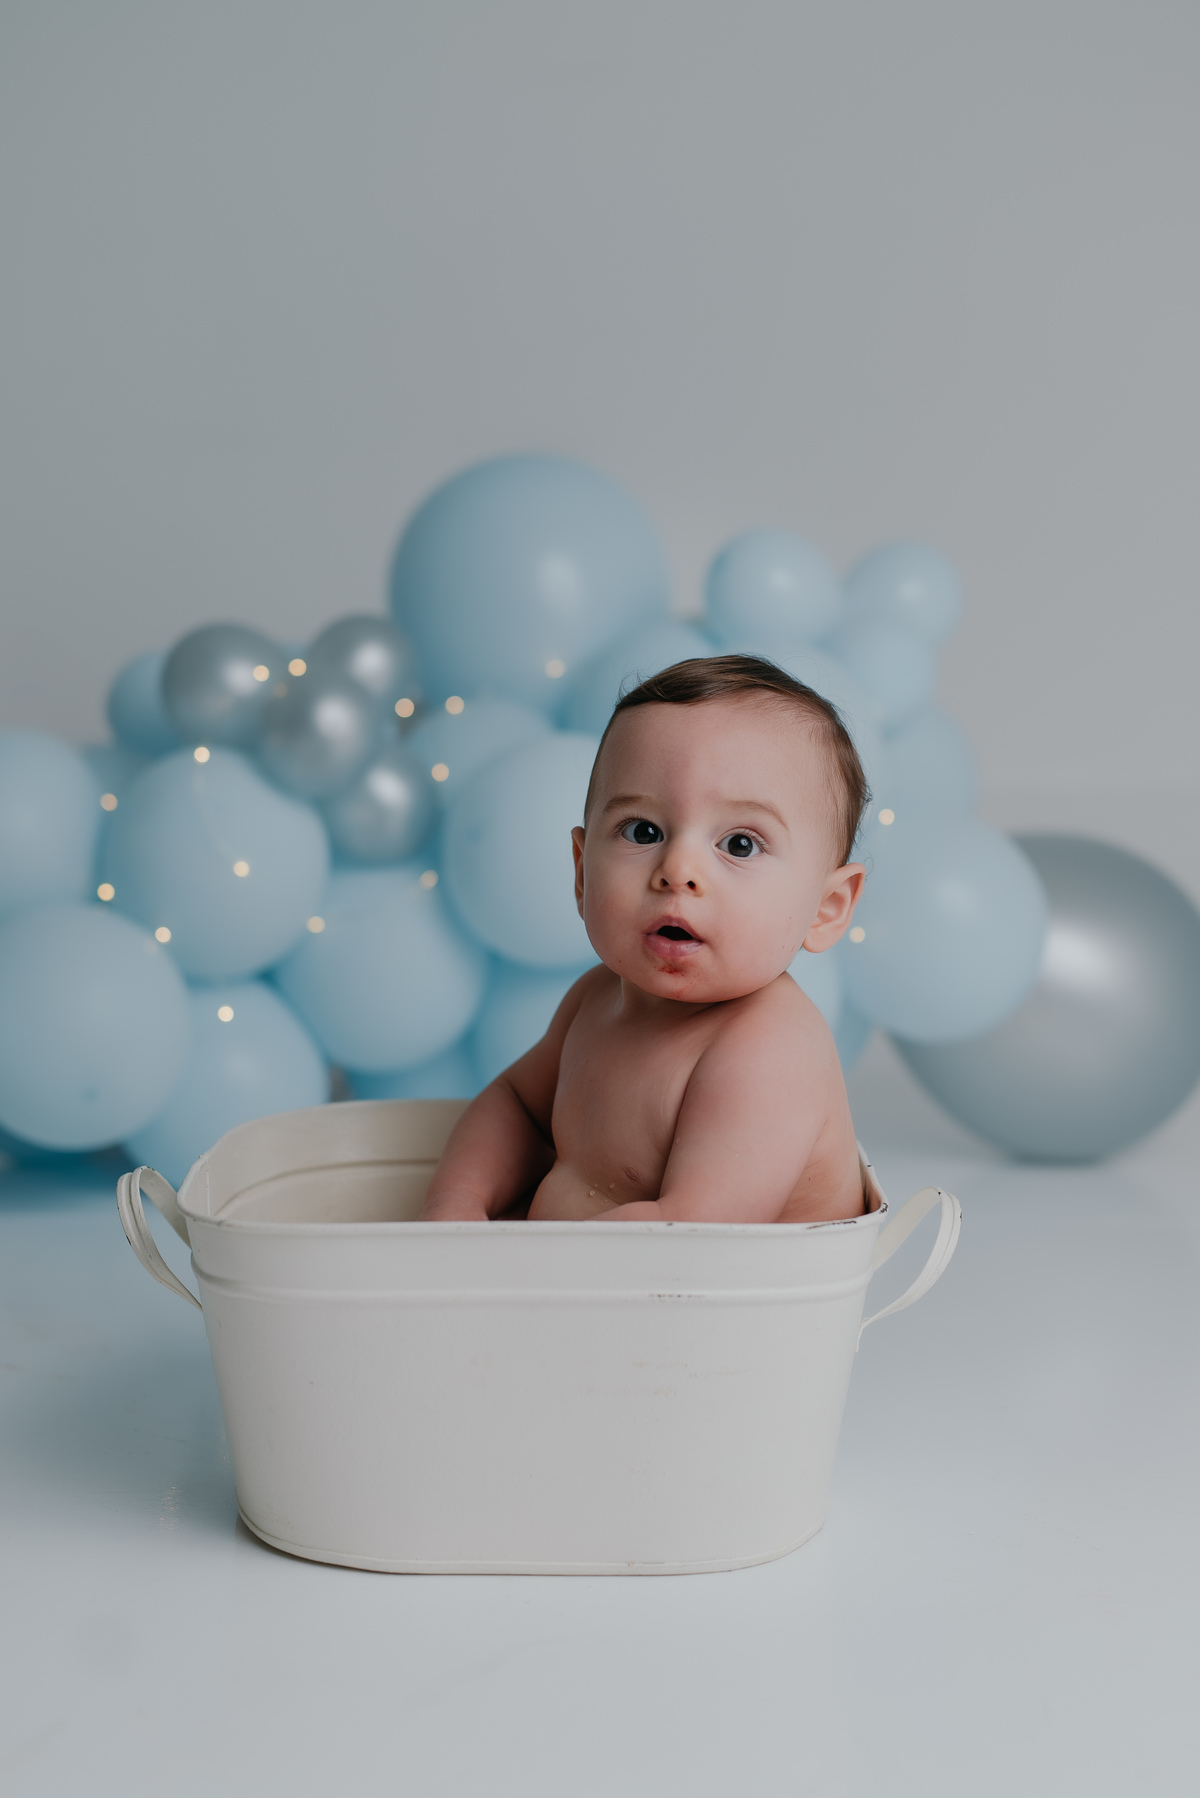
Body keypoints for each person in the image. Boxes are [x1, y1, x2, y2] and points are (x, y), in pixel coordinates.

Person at [420, 654, 869, 1224]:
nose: (678, 868)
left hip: (709, 1310)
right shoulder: (595, 1000)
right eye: (643, 831)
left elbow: (685, 1240)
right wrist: (455, 1205)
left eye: (739, 844)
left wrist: (516, 1273)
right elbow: (516, 1107)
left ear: (826, 910)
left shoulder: (767, 1052)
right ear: (582, 873)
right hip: (588, 1296)